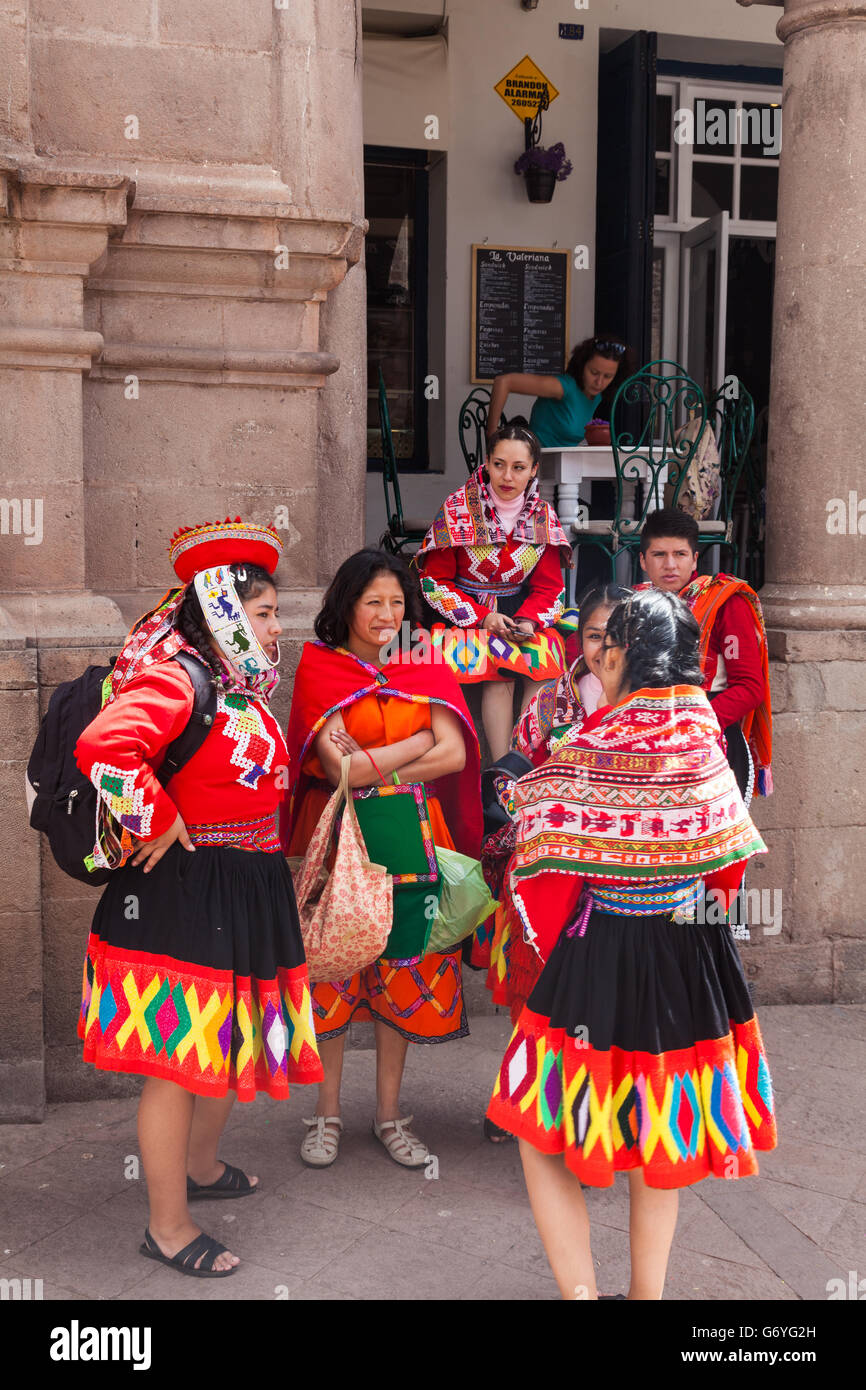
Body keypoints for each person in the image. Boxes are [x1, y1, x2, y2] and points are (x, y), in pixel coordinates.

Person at [485, 589, 777, 1300]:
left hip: (600, 953)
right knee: (662, 1138)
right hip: (689, 957)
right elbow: (726, 868)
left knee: (539, 1118)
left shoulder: (585, 750)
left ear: (618, 656)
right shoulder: (705, 740)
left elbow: (534, 865)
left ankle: (581, 1296)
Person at [75, 518, 323, 1278]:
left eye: (276, 611)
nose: (277, 625)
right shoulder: (180, 677)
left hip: (243, 885)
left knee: (228, 1041)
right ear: (221, 613)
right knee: (179, 1062)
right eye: (263, 612)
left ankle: (202, 1168)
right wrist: (160, 815)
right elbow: (102, 748)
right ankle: (168, 1227)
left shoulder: (241, 684)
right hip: (186, 891)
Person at [284, 548, 482, 1170]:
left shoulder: (424, 666)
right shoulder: (322, 668)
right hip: (337, 834)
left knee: (401, 966)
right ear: (346, 604)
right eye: (373, 602)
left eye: (397, 603)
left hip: (410, 836)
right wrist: (420, 737)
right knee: (334, 966)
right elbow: (336, 769)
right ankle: (326, 1113)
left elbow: (454, 756)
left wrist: (376, 762)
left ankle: (390, 1114)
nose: (387, 615)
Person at [481, 582, 631, 1143]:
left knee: (607, 999)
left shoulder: (656, 708)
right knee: (539, 992)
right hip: (550, 879)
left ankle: (598, 1111)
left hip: (622, 886)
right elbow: (517, 781)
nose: (606, 648)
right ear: (579, 639)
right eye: (594, 635)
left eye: (619, 636)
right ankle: (527, 1099)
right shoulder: (550, 704)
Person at [638, 508, 773, 940]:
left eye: (680, 554)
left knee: (713, 864)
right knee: (658, 862)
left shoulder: (726, 602)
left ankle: (717, 985)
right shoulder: (633, 604)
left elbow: (750, 687)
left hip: (713, 745)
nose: (670, 565)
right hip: (645, 748)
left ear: (696, 559)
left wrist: (689, 723)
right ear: (643, 560)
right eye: (659, 554)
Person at [415, 423, 573, 761]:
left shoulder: (542, 517)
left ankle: (526, 762)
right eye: (499, 464)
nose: (507, 476)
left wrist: (528, 622)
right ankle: (500, 770)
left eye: (518, 468)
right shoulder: (458, 509)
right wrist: (483, 618)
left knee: (541, 663)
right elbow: (434, 583)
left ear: (533, 470)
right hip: (465, 614)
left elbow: (550, 588)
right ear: (486, 462)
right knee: (501, 674)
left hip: (520, 612)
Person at [486, 335, 636, 451]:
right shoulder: (562, 387)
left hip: (561, 470)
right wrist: (492, 432)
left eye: (607, 376)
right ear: (582, 365)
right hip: (534, 467)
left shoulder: (597, 396)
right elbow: (503, 382)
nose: (599, 382)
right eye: (594, 372)